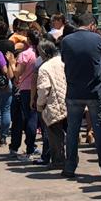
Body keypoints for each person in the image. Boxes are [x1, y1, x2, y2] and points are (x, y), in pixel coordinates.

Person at [61, 12, 101, 180]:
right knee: (99, 130)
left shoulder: (66, 41)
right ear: (92, 25)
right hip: (95, 91)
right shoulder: (96, 39)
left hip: (74, 90)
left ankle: (70, 167)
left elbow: (64, 60)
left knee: (72, 129)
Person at [33, 38, 67, 168]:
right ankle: (72, 158)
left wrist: (40, 104)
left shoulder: (44, 67)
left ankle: (58, 160)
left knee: (55, 134)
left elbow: (43, 89)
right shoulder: (63, 61)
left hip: (53, 102)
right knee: (70, 132)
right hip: (68, 100)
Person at [9, 29, 40, 157]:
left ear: (28, 40)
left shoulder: (25, 55)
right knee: (34, 118)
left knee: (26, 119)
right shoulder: (39, 53)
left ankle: (29, 147)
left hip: (25, 89)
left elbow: (17, 73)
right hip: (39, 87)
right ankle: (31, 145)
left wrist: (11, 62)